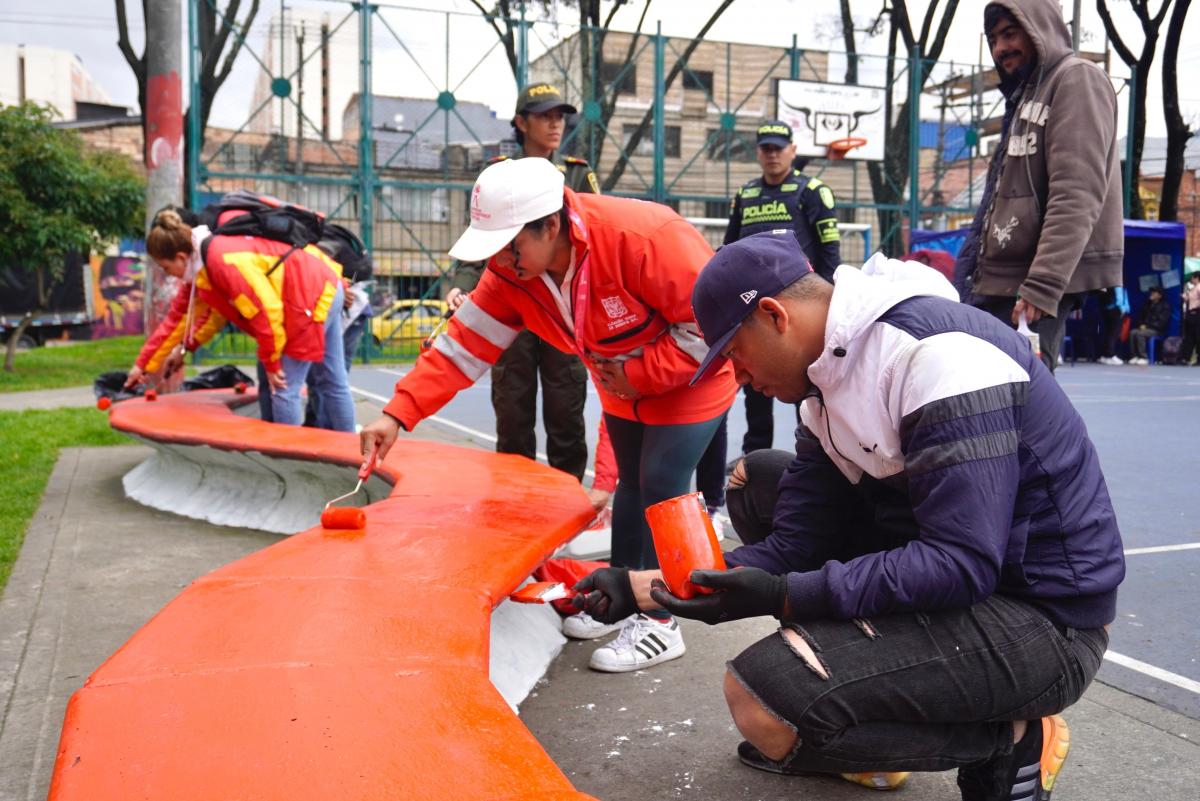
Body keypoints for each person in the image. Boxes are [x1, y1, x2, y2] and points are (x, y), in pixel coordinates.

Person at [573, 232, 1124, 800]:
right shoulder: (823, 385)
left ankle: (1012, 738)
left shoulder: (937, 359)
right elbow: (797, 543)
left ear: (774, 315)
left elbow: (961, 563)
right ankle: (864, 706)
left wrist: (784, 596)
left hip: (1047, 621)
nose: (737, 379)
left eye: (734, 354)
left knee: (764, 704)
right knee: (758, 482)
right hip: (971, 584)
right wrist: (641, 588)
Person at [359, 157, 737, 672]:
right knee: (631, 484)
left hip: (692, 373)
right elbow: (462, 347)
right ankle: (621, 597)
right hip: (621, 381)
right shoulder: (512, 273)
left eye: (509, 244)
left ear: (551, 225)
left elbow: (711, 325)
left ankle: (661, 619)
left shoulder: (643, 238)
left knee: (661, 483)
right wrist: (396, 415)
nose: (498, 259)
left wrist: (639, 374)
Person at [952, 0, 1124, 375]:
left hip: (1029, 283)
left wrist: (1043, 283)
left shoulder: (1076, 78)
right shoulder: (1024, 96)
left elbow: (1077, 193)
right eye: (993, 39)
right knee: (985, 395)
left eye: (1010, 34)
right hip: (999, 281)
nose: (1000, 48)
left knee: (1012, 397)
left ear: (1038, 28)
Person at [445, 82, 599, 485]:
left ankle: (568, 499)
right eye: (545, 116)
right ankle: (514, 499)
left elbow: (592, 235)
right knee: (512, 408)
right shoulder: (498, 174)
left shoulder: (577, 173)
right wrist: (462, 283)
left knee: (566, 407)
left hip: (562, 306)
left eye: (559, 117)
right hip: (512, 300)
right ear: (521, 122)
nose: (555, 124)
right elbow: (481, 234)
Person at [126, 209, 356, 432]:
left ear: (181, 257)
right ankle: (351, 448)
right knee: (333, 380)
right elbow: (175, 322)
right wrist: (142, 366)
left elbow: (266, 311)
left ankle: (288, 455)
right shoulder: (204, 266)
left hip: (307, 297)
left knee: (283, 388)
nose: (169, 274)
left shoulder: (221, 262)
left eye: (166, 268)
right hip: (323, 286)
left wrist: (272, 362)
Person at [724, 119, 841, 456]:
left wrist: (826, 304)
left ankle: (813, 455)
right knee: (755, 386)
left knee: (805, 384)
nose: (772, 154)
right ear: (758, 153)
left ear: (792, 150)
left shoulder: (813, 190)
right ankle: (754, 457)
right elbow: (730, 248)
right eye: (766, 148)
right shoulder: (745, 194)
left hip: (800, 310)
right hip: (752, 307)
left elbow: (830, 251)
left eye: (778, 148)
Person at [1128, 286, 1171, 365]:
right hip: (1146, 328)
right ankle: (1135, 356)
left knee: (1140, 334)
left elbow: (1162, 323)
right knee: (1133, 332)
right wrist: (1141, 324)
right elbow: (1140, 317)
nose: (1152, 294)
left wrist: (1147, 326)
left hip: (1157, 330)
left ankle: (1143, 357)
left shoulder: (1165, 306)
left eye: (1154, 293)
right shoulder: (1147, 304)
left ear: (1159, 295)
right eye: (1151, 292)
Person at [1097, 286, 1129, 365]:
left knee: (1108, 333)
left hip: (1106, 310)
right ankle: (1110, 355)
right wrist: (1122, 309)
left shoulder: (1107, 284)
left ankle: (1105, 356)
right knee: (1113, 334)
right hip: (1115, 310)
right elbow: (1119, 298)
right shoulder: (1117, 285)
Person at [1181, 271, 1200, 365]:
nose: (1191, 279)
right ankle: (1186, 358)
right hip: (1190, 314)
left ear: (1196, 278)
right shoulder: (1193, 288)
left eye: (1192, 278)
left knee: (1198, 336)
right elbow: (1188, 299)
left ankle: (1198, 359)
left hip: (1197, 313)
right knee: (1189, 337)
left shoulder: (1199, 287)